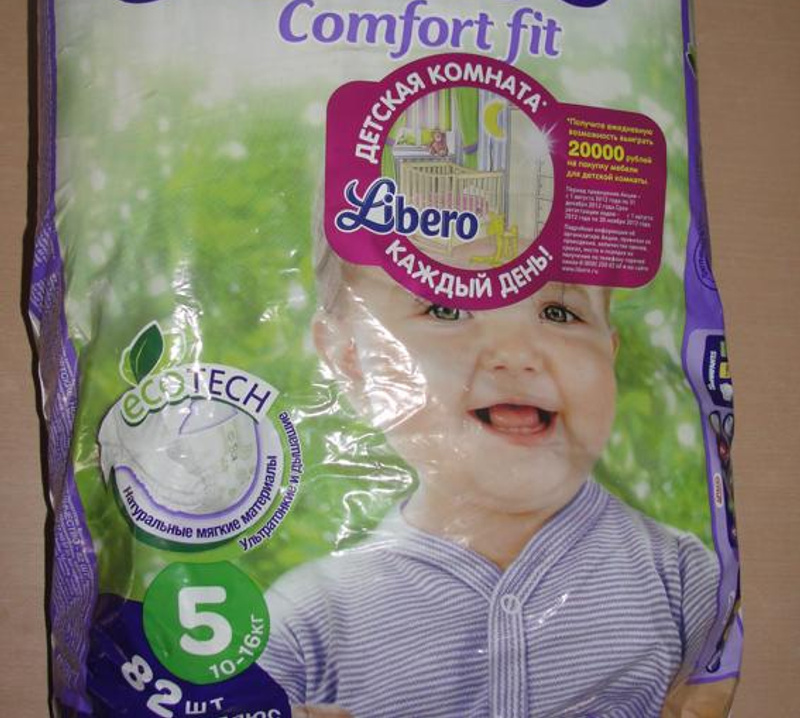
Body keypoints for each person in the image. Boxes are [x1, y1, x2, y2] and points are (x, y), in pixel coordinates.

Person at [258, 238, 735, 718]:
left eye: (558, 313)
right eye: (446, 308)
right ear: (352, 361)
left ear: (608, 353)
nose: (516, 354)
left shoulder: (683, 579)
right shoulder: (308, 617)